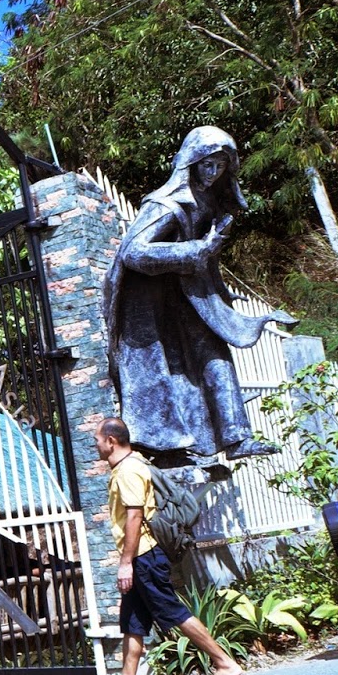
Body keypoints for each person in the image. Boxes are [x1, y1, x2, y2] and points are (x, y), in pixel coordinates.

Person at [103, 126, 293, 462]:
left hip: (186, 295)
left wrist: (219, 287)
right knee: (167, 375)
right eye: (207, 164)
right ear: (190, 162)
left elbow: (205, 257)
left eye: (220, 166)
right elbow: (133, 252)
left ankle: (235, 439)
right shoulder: (165, 204)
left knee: (216, 356)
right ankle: (176, 449)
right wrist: (195, 251)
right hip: (152, 306)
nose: (213, 172)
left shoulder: (207, 202)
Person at [87, 418, 246, 675]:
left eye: (97, 440)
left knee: (172, 611)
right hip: (141, 555)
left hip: (144, 555)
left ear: (111, 441)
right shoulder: (130, 465)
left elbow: (134, 516)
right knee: (133, 620)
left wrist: (126, 563)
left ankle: (226, 664)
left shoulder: (129, 470)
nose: (95, 445)